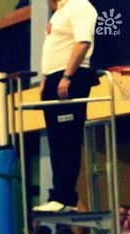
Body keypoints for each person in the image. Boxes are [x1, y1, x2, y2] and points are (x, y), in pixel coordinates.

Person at [33, 0, 99, 213]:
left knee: (67, 139)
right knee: (56, 140)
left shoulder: (80, 5)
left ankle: (66, 198)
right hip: (54, 79)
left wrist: (67, 76)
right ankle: (59, 196)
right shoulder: (59, 12)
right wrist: (45, 78)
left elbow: (82, 43)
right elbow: (54, 50)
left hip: (71, 77)